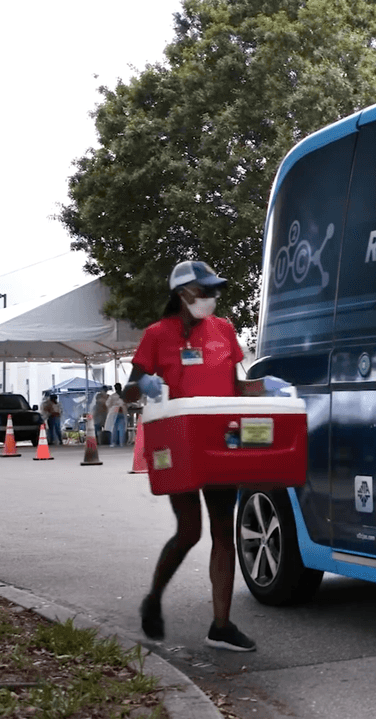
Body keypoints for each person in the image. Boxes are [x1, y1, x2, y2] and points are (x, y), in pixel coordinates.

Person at [125, 260, 289, 653]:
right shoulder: (156, 335)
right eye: (204, 292)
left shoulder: (225, 330)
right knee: (189, 531)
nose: (212, 299)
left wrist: (267, 386)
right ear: (182, 295)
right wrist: (143, 385)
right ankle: (154, 597)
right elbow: (130, 390)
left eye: (215, 291)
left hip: (219, 437)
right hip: (177, 440)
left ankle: (221, 624)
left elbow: (237, 385)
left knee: (222, 529)